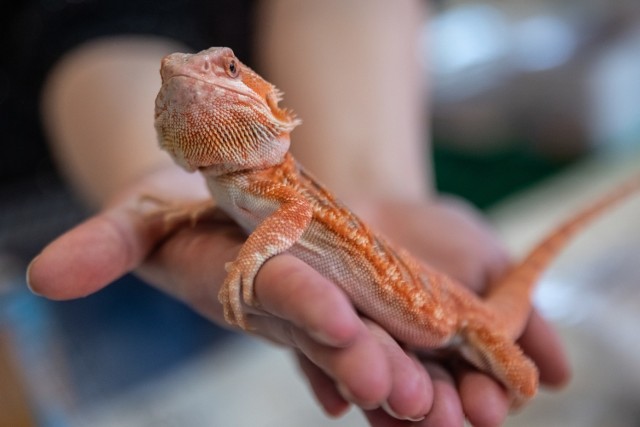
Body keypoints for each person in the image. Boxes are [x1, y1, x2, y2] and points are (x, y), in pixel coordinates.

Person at [19, 0, 569, 425]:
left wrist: (368, 180)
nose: (196, 77)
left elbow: (294, 214)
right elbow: (79, 17)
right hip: (46, 179)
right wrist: (179, 202)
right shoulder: (228, 182)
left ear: (264, 97)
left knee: (518, 381)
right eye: (177, 80)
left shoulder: (273, 187)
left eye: (228, 69)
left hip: (455, 321)